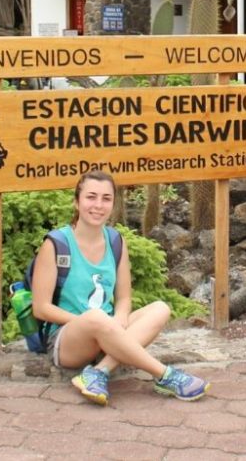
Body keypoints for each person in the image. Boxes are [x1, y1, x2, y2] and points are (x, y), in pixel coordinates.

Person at [32, 170, 209, 405]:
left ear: (113, 204)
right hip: (68, 338)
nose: (98, 205)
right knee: (96, 317)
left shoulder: (116, 241)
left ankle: (99, 372)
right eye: (91, 197)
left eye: (106, 199)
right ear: (77, 201)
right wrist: (88, 322)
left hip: (106, 332)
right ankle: (165, 375)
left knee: (160, 309)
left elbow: (124, 298)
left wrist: (120, 319)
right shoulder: (56, 244)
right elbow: (41, 308)